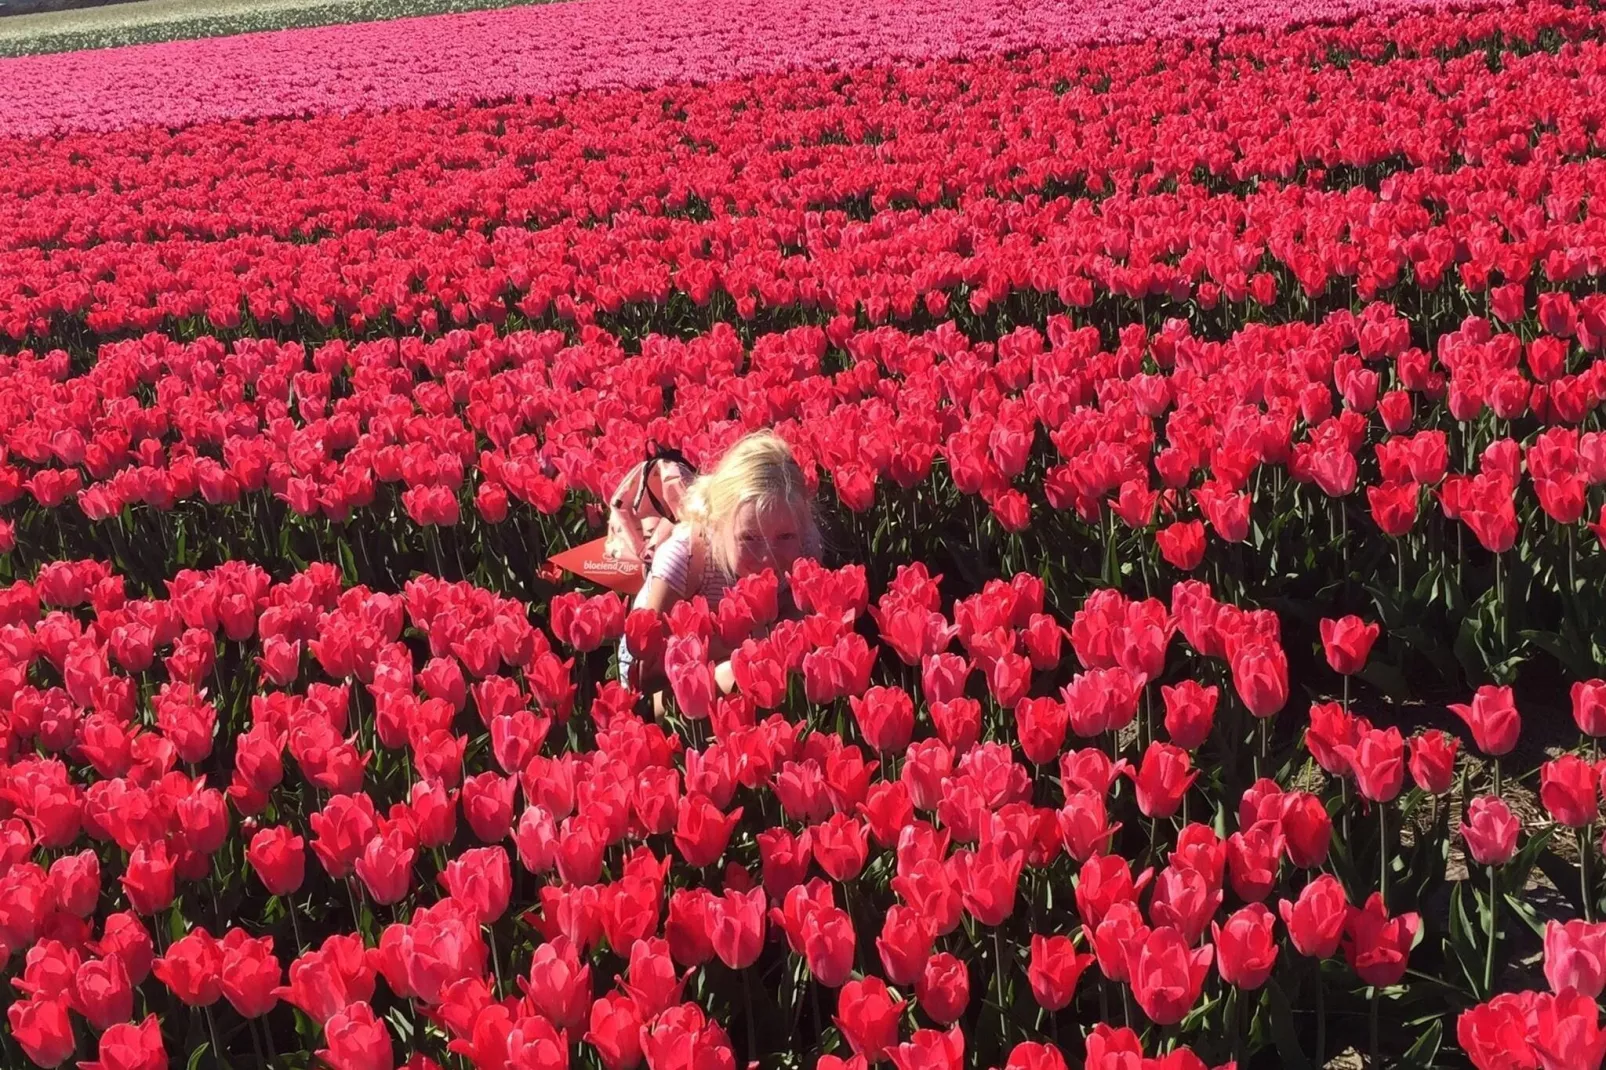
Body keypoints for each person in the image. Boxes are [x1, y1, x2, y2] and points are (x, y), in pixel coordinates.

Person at [618, 429, 822, 693]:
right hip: (669, 676)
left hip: (749, 651)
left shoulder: (805, 545)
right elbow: (648, 671)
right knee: (736, 676)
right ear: (718, 522)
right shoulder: (687, 556)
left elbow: (799, 619)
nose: (766, 557)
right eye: (749, 538)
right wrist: (743, 646)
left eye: (784, 536)